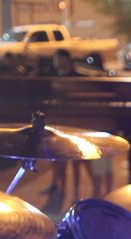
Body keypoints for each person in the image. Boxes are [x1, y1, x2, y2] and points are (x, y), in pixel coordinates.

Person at [45, 49, 112, 211]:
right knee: (78, 162)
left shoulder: (83, 79)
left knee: (97, 164)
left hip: (88, 127)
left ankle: (99, 194)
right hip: (75, 126)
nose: (58, 63)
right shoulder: (55, 77)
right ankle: (79, 194)